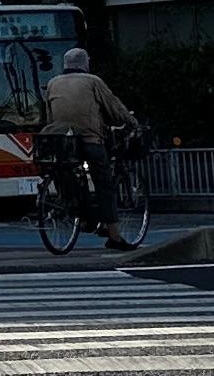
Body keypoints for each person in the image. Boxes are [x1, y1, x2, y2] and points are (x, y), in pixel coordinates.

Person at [39, 47, 144, 252]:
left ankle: (84, 216)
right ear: (85, 63)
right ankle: (114, 236)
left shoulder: (53, 83)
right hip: (90, 140)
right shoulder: (93, 81)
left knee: (68, 174)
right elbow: (114, 107)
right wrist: (131, 121)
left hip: (63, 142)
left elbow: (50, 117)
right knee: (104, 184)